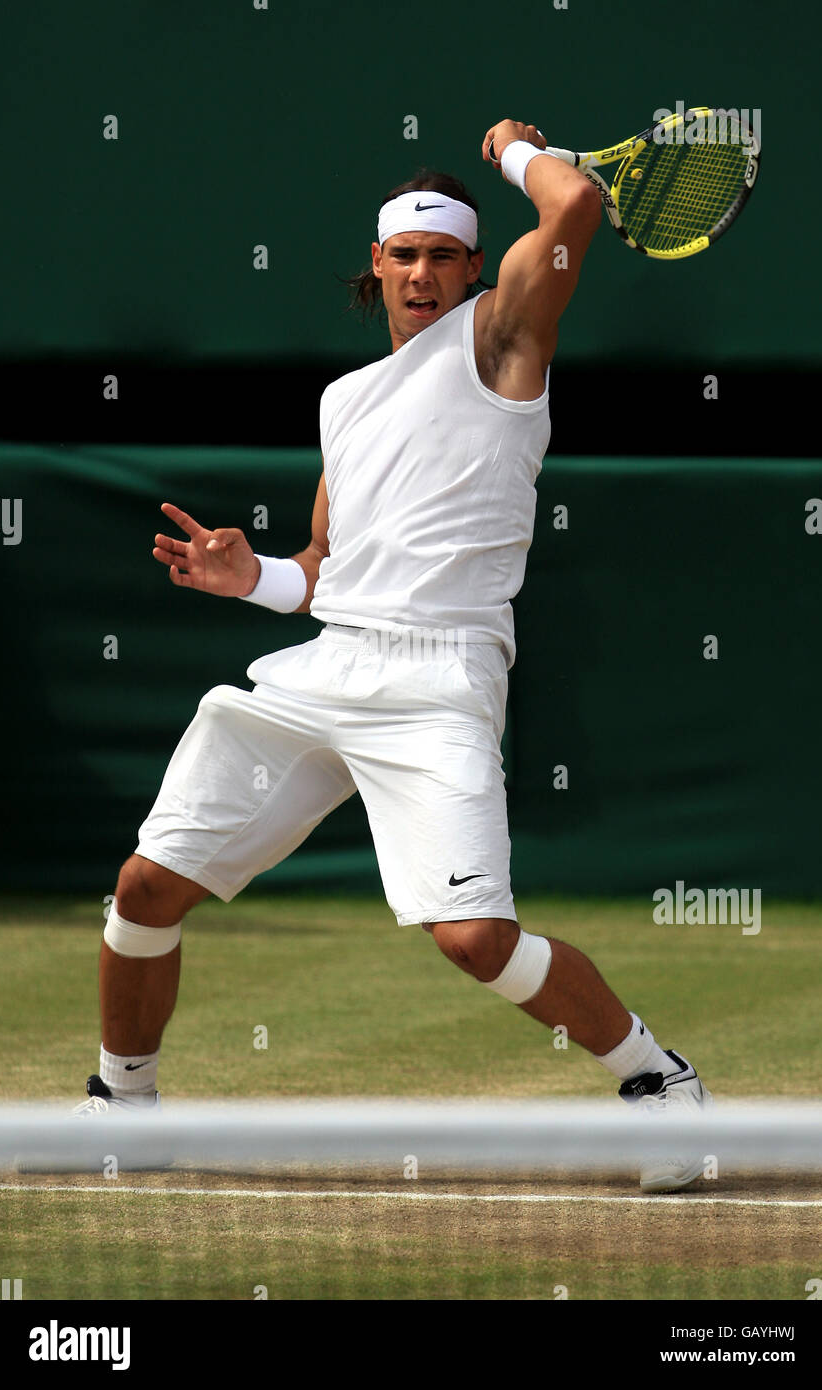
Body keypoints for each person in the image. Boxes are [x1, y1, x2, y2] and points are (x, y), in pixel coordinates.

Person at [75, 119, 709, 1191]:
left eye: (443, 256)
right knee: (143, 887)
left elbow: (575, 210)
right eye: (403, 255)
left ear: (471, 269)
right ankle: (121, 1103)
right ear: (377, 265)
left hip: (438, 677)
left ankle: (661, 1083)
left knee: (472, 940)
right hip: (329, 664)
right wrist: (256, 578)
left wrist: (515, 145)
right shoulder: (343, 402)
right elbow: (327, 566)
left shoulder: (501, 342)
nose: (421, 273)